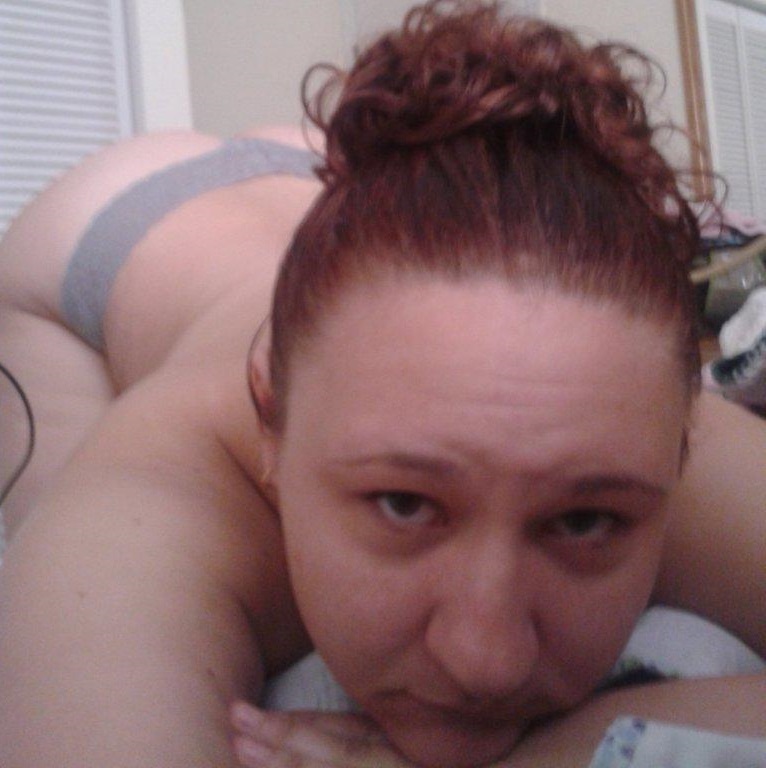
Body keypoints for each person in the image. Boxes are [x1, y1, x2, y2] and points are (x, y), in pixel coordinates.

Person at [0, 2, 764, 767]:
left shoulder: (632, 423)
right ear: (271, 425)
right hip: (95, 229)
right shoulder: (168, 493)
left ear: (683, 442)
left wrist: (566, 750)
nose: (486, 661)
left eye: (583, 522)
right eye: (403, 503)